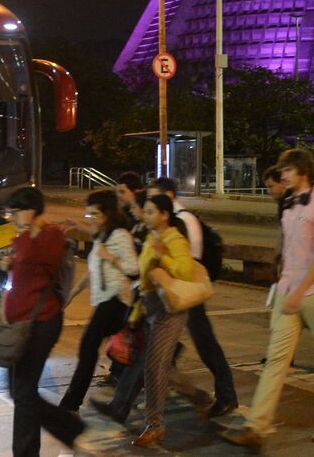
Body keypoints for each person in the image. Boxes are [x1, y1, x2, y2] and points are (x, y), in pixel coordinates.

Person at [223, 149, 314, 447]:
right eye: (282, 171)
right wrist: (284, 284)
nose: (282, 175)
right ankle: (256, 427)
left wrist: (299, 291)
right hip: (288, 291)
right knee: (276, 360)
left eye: (288, 170)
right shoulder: (290, 204)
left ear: (304, 172)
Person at [0, 186, 86, 457]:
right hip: (21, 324)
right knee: (19, 391)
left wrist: (24, 236)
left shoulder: (50, 236)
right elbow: (26, 269)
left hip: (41, 323)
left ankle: (27, 452)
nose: (12, 218)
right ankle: (69, 426)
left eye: (15, 212)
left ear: (30, 210)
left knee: (24, 392)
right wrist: (10, 263)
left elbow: (36, 256)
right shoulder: (27, 238)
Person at [149, 177, 237, 416]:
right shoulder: (171, 220)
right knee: (167, 342)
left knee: (205, 344)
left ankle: (226, 395)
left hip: (188, 291)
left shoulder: (185, 219)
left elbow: (190, 261)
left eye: (154, 197)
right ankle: (163, 384)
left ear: (168, 196)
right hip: (175, 290)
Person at [125, 193, 199, 448]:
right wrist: (136, 314)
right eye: (145, 211)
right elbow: (145, 279)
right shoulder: (152, 237)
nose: (145, 216)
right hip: (151, 307)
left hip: (170, 310)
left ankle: (155, 425)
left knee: (154, 367)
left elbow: (186, 271)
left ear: (164, 215)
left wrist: (163, 256)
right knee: (161, 366)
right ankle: (200, 398)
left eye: (150, 212)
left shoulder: (174, 240)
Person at [60, 190, 139, 412]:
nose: (91, 218)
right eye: (89, 214)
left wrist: (110, 257)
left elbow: (134, 268)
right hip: (105, 301)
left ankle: (70, 404)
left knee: (88, 347)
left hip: (116, 301)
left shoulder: (120, 236)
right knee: (127, 354)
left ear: (108, 213)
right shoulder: (103, 235)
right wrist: (73, 293)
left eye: (95, 214)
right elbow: (94, 269)